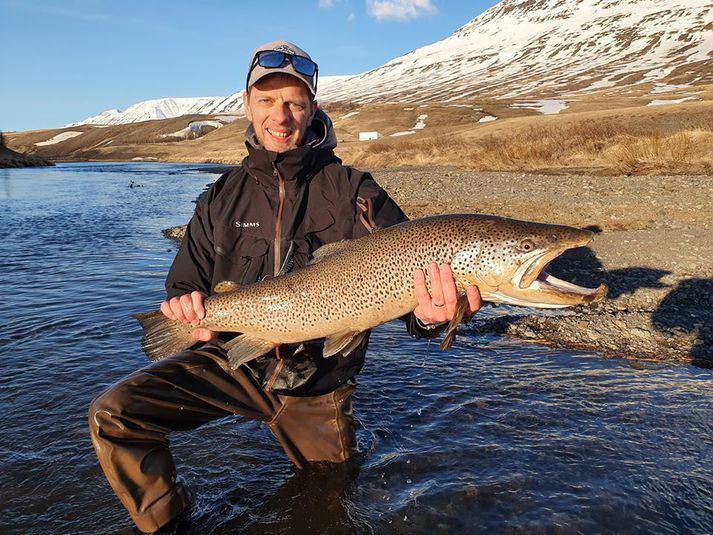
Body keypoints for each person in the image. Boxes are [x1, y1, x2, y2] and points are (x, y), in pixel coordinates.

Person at [88, 40, 481, 534]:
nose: (282, 116)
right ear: (247, 106)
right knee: (114, 416)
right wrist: (184, 307)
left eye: (295, 102)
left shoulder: (354, 190)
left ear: (313, 108)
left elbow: (415, 297)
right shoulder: (219, 198)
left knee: (328, 498)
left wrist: (433, 316)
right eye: (268, 101)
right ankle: (170, 525)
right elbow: (186, 281)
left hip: (319, 379)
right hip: (233, 361)